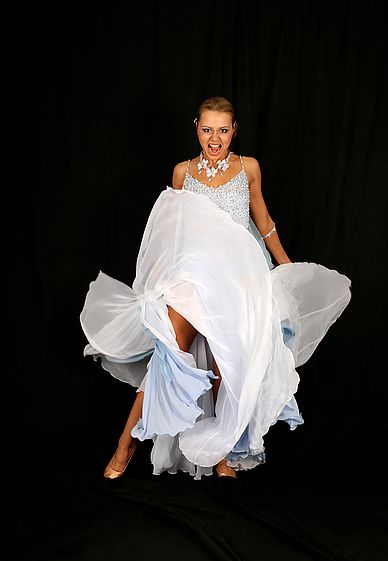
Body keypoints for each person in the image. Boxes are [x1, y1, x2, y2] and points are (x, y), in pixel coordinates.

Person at [80, 96, 352, 480]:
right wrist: (163, 280)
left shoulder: (249, 168)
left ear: (234, 130)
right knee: (169, 357)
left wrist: (288, 266)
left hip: (239, 279)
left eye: (222, 130)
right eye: (207, 129)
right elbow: (171, 235)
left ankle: (222, 454)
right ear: (196, 127)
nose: (214, 139)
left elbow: (263, 222)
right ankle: (125, 445)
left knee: (230, 365)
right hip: (194, 280)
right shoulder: (182, 173)